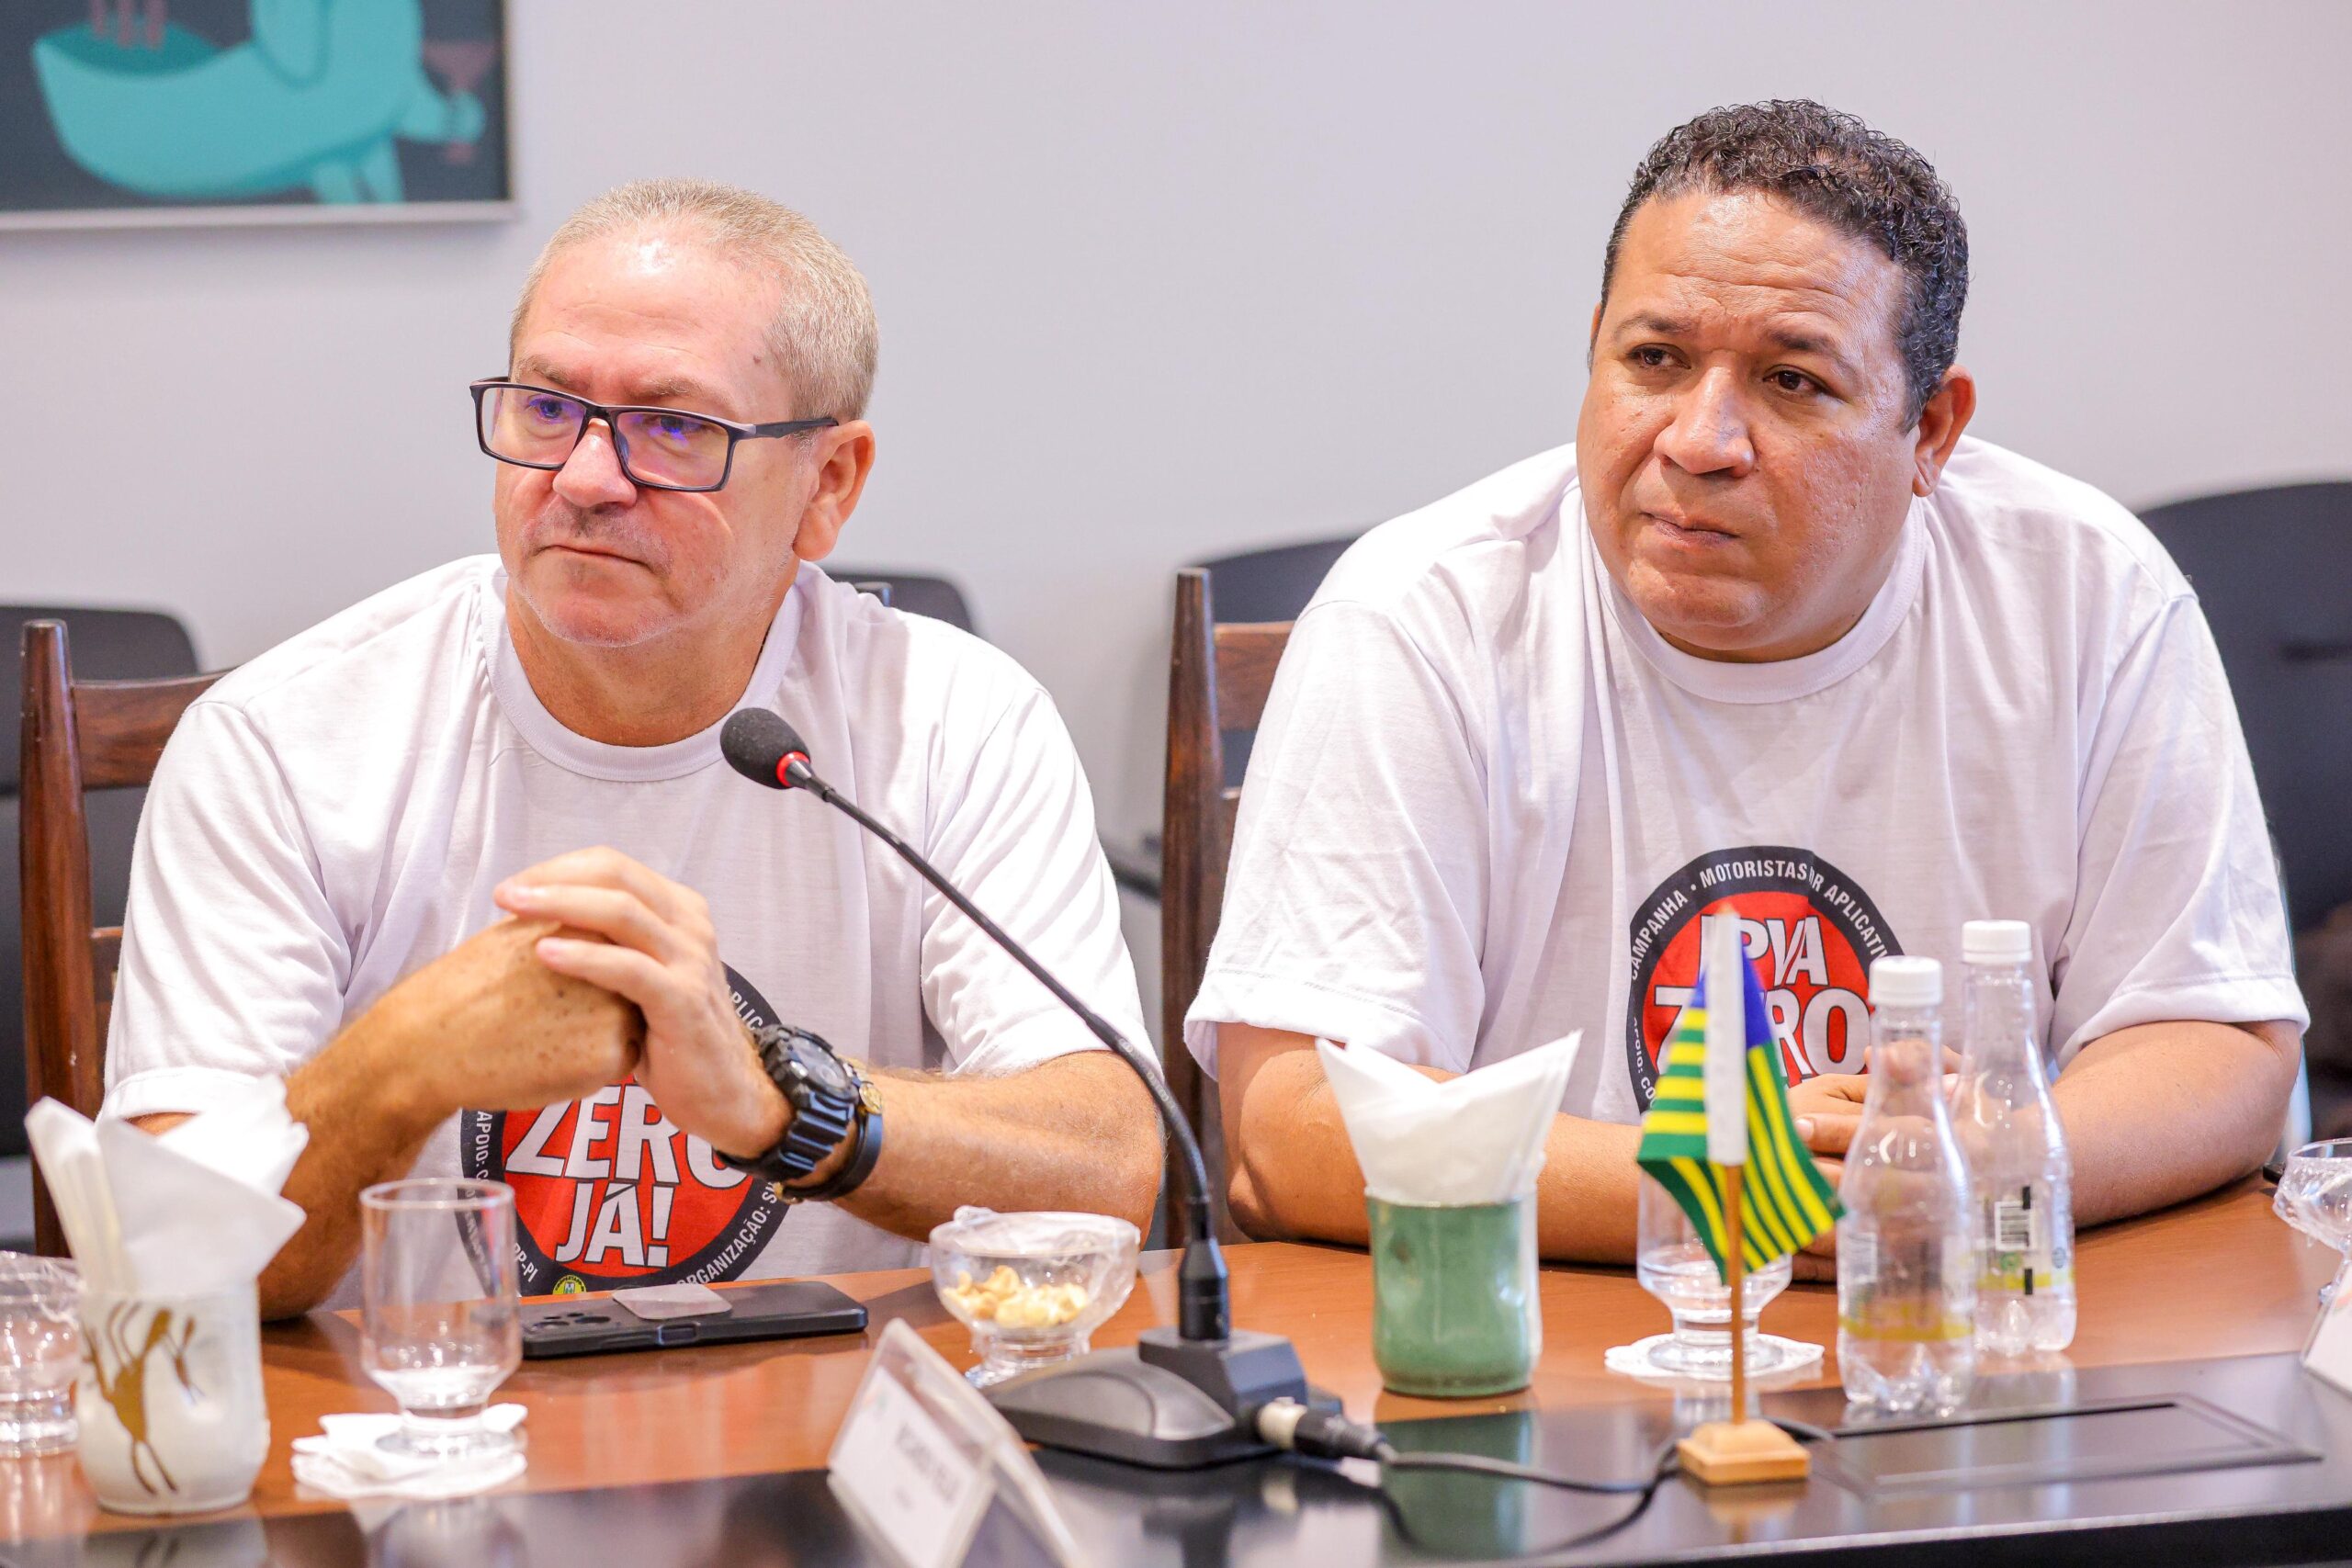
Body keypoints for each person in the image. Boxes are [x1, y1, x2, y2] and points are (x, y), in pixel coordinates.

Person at [1189, 101, 2305, 1279]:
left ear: (1929, 431)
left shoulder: (2084, 589)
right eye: (1653, 360)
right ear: (1594, 351)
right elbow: (1292, 1130)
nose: (1699, 440)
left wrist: (1978, 1162)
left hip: (1960, 1328)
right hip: (1553, 1337)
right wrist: (1737, 1192)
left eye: (1790, 380)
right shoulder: (1422, 615)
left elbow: (2217, 1040)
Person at [104, 178, 1160, 1317]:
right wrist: (402, 1063)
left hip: (832, 1408)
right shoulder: (282, 740)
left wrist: (782, 1104)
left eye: (675, 428)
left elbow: (1104, 1169)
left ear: (827, 484)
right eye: (546, 408)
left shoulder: (953, 720)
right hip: (423, 1407)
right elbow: (174, 1263)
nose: (584, 480)